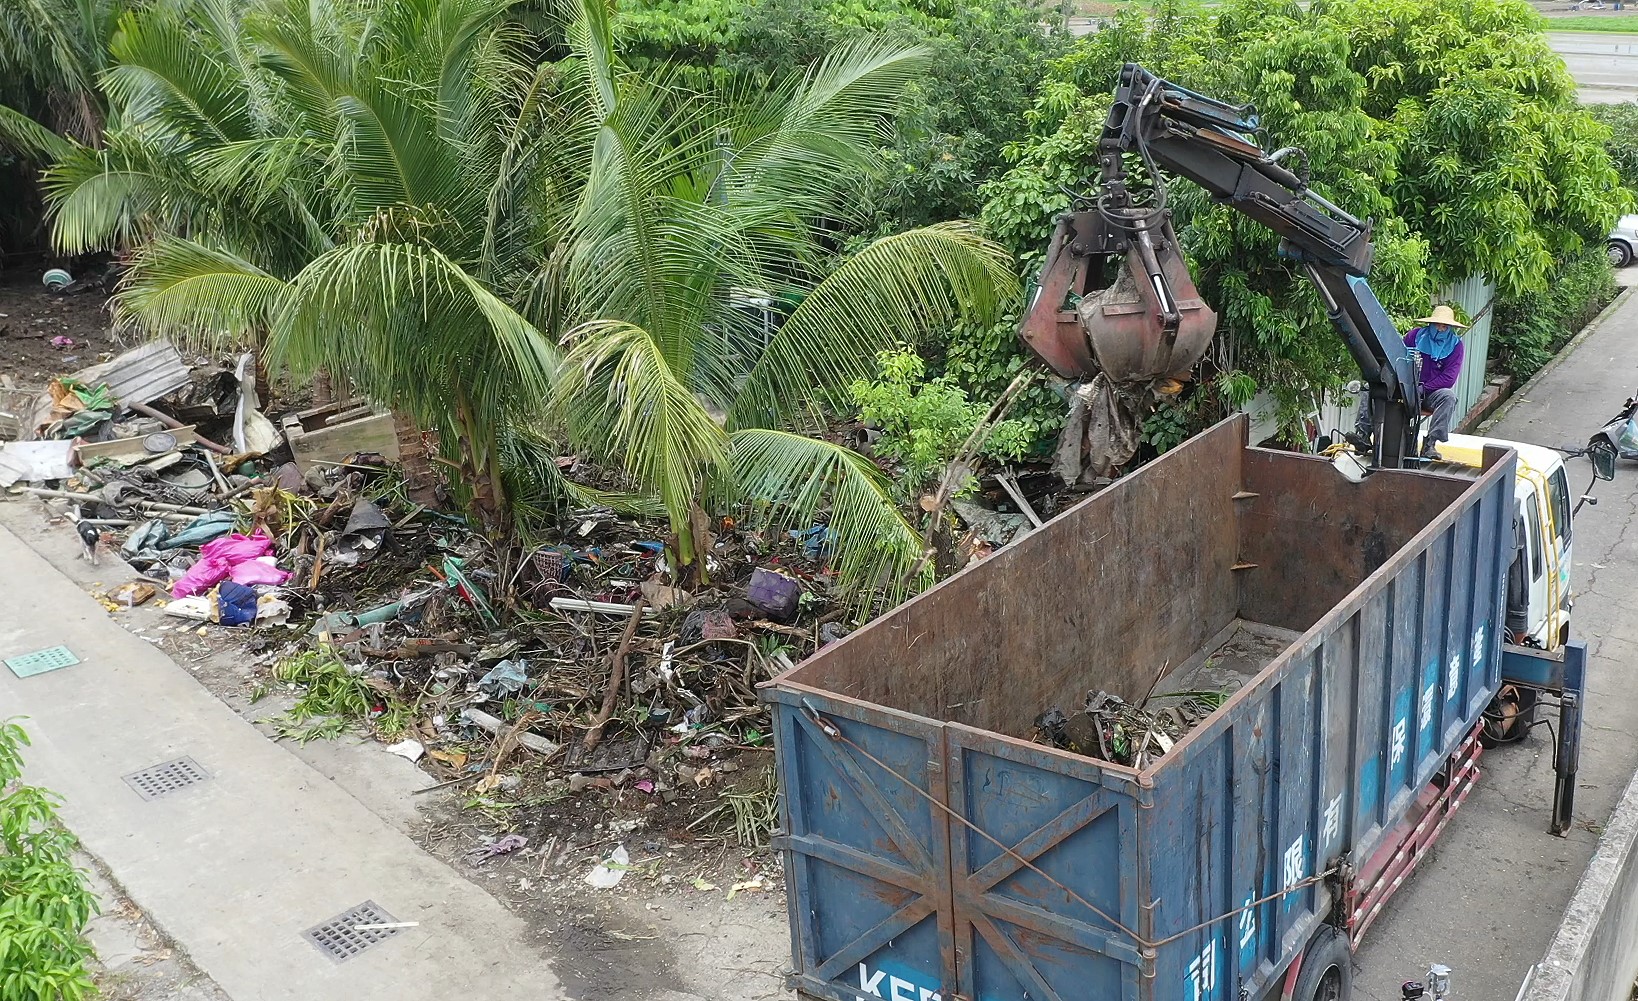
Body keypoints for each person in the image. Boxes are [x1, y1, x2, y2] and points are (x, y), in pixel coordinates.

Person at [1349, 304, 1467, 459]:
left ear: (1450, 327)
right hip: (1405, 387)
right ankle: (1363, 437)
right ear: (1430, 324)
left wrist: (1423, 389)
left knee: (1449, 397)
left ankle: (1430, 444)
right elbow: (1398, 360)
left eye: (1444, 326)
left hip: (1430, 393)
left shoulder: (1456, 347)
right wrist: (1406, 385)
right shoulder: (1414, 336)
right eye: (1437, 324)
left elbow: (1449, 378)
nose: (1440, 329)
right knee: (1371, 388)